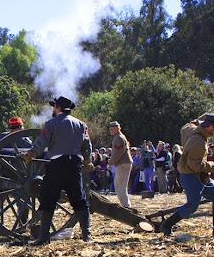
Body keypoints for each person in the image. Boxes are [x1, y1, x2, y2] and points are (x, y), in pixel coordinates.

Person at [17, 96, 92, 243]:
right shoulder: (81, 125)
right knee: (79, 199)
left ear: (57, 108)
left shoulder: (51, 124)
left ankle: (44, 236)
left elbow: (42, 142)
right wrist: (87, 161)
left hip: (58, 164)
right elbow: (86, 146)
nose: (53, 109)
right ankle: (86, 234)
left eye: (54, 107)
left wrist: (29, 154)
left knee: (47, 198)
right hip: (75, 164)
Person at [159, 114, 214, 238]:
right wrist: (213, 166)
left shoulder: (192, 130)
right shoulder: (199, 141)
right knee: (192, 206)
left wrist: (201, 119)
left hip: (200, 176)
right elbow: (195, 165)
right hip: (191, 176)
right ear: (210, 127)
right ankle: (167, 224)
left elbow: (185, 127)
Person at [107, 121, 132, 207]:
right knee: (120, 186)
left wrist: (110, 163)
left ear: (118, 128)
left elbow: (118, 153)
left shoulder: (118, 138)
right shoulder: (119, 137)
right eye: (110, 129)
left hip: (122, 164)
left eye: (112, 128)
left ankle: (126, 206)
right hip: (123, 163)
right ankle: (126, 205)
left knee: (120, 187)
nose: (111, 130)